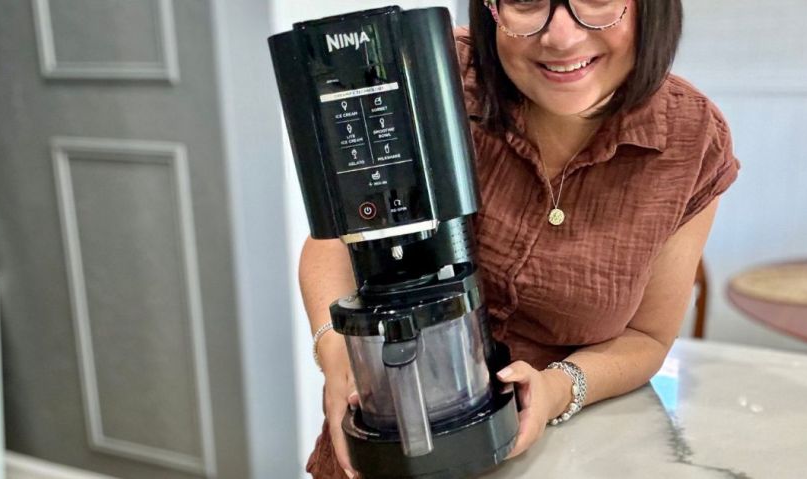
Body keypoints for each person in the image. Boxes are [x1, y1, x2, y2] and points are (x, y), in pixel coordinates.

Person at [302, 0, 739, 477]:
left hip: (552, 461)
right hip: (382, 450)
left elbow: (648, 337)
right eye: (526, 0)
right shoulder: (425, 72)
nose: (561, 37)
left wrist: (557, 389)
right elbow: (336, 241)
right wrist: (334, 348)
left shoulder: (691, 142)